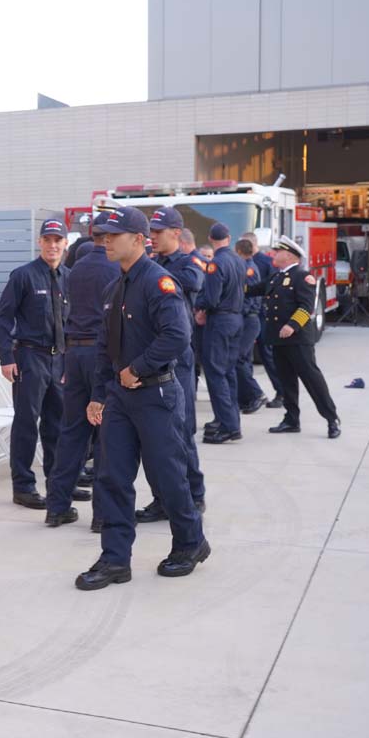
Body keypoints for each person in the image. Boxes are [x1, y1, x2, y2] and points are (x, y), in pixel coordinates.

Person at [76, 207, 210, 590]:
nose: (104, 242)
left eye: (112, 236)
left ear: (139, 239)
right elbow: (106, 346)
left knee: (167, 477)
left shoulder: (159, 282)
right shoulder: (114, 287)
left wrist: (138, 368)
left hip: (156, 394)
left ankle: (190, 542)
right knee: (112, 478)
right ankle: (115, 559)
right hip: (119, 398)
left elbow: (177, 335)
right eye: (101, 236)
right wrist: (99, 394)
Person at [43, 212, 122, 531]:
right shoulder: (117, 268)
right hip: (102, 356)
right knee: (106, 435)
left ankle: (57, 506)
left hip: (75, 353)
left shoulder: (74, 270)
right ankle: (102, 515)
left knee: (72, 431)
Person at [134, 207, 207, 524]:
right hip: (155, 358)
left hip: (178, 360)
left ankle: (194, 494)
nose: (152, 237)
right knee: (156, 437)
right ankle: (162, 498)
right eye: (150, 232)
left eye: (158, 232)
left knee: (182, 429)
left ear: (176, 233)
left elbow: (194, 281)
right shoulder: (155, 262)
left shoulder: (188, 263)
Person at [0, 219, 71, 509]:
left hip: (59, 359)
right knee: (27, 423)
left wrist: (70, 361)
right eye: (47, 240)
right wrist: (6, 358)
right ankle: (23, 487)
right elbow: (3, 318)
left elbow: (71, 322)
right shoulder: (23, 276)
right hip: (30, 358)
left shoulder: (68, 277)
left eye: (57, 240)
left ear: (65, 244)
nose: (53, 245)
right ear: (39, 242)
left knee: (57, 425)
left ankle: (58, 484)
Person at [252, 236, 341, 439]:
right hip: (278, 339)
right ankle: (291, 419)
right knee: (286, 382)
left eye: (278, 252)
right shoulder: (276, 277)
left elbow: (306, 306)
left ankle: (331, 419)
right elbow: (253, 289)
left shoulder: (302, 276)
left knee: (312, 379)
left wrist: (292, 325)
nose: (274, 254)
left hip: (298, 339)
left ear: (290, 256)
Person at [195, 222, 245, 444]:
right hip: (236, 318)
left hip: (220, 320)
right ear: (229, 237)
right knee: (229, 372)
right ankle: (229, 419)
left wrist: (199, 304)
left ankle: (229, 426)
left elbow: (212, 298)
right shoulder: (238, 259)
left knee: (215, 373)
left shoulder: (216, 263)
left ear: (211, 238)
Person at [241, 231, 284, 408]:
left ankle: (281, 391)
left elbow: (274, 286)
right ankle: (249, 394)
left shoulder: (266, 262)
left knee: (267, 355)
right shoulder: (243, 261)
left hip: (262, 313)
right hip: (249, 313)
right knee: (246, 355)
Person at [233, 239, 269, 414]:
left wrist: (238, 310)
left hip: (249, 319)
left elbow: (251, 296)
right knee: (244, 360)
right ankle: (246, 398)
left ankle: (256, 394)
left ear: (239, 251)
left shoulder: (249, 269)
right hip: (246, 319)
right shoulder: (246, 267)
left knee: (238, 358)